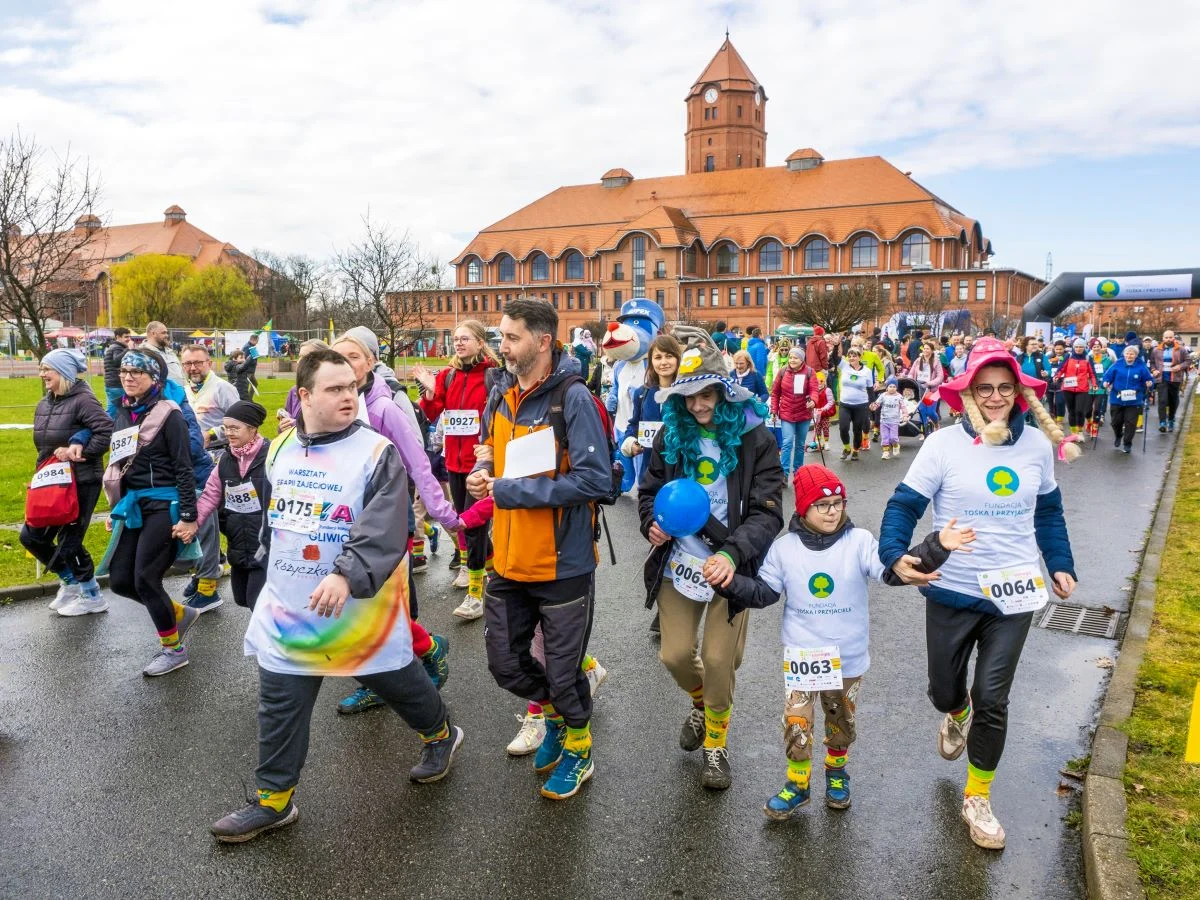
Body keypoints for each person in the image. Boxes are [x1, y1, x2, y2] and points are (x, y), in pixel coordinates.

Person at [210, 348, 462, 843]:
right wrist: (264, 566)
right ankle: (273, 800)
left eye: (351, 387)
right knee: (279, 701)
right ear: (304, 396)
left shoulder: (376, 452)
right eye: (334, 388)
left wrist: (346, 575)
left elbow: (385, 524)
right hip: (290, 607)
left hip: (360, 610)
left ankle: (441, 734)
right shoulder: (280, 448)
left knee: (397, 683)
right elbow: (274, 517)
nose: (348, 396)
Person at [879, 336, 1078, 850]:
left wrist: (1060, 563)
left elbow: (1048, 512)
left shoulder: (1036, 447)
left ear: (1019, 392)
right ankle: (955, 711)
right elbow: (903, 505)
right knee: (946, 690)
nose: (995, 398)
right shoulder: (942, 445)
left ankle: (978, 797)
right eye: (984, 388)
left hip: (1014, 596)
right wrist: (894, 554)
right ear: (967, 391)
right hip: (952, 589)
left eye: (1004, 388)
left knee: (993, 697)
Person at [723, 465, 973, 818]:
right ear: (803, 508)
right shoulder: (784, 549)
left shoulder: (860, 542)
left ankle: (837, 772)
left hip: (848, 657)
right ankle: (797, 783)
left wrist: (937, 547)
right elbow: (764, 592)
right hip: (803, 656)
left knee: (841, 721)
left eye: (838, 503)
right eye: (822, 505)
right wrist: (728, 582)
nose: (832, 511)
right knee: (797, 722)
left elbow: (893, 572)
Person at [467, 297, 612, 800]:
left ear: (544, 341)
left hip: (562, 562)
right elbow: (491, 447)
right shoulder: (502, 390)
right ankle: (554, 719)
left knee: (563, 672)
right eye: (501, 336)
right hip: (507, 558)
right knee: (505, 664)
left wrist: (508, 490)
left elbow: (595, 481)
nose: (502, 346)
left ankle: (579, 747)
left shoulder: (573, 398)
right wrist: (483, 468)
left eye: (512, 337)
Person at [637, 330, 785, 790]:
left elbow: (769, 511)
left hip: (730, 563)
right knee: (675, 655)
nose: (698, 405)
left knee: (720, 659)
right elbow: (649, 492)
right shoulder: (671, 434)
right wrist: (651, 523)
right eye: (689, 396)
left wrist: (731, 552)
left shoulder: (755, 437)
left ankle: (716, 746)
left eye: (706, 394)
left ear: (724, 392)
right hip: (680, 560)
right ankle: (701, 704)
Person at [327, 331, 458, 711]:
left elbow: (417, 461)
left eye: (353, 356)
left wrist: (443, 513)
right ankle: (423, 650)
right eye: (338, 357)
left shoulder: (384, 409)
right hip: (340, 522)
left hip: (386, 521)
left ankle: (398, 676)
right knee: (359, 607)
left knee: (378, 606)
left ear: (370, 362)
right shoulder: (327, 405)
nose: (345, 364)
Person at [100, 349, 201, 676]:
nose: (128, 377)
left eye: (137, 372)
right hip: (134, 505)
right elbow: (121, 465)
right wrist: (116, 508)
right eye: (124, 371)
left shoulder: (169, 414)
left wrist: (188, 516)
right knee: (120, 580)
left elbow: (184, 467)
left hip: (165, 504)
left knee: (145, 578)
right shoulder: (122, 412)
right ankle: (178, 614)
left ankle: (174, 650)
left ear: (154, 377)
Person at [414, 320, 501, 617]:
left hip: (481, 463)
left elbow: (501, 415)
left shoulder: (492, 375)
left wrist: (490, 449)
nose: (459, 343)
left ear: (480, 342)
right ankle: (494, 575)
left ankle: (475, 594)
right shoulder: (448, 376)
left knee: (474, 526)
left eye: (465, 338)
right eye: (456, 339)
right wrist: (429, 392)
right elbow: (432, 412)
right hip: (453, 460)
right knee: (464, 522)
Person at [23, 349, 113, 616]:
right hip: (51, 482)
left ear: (63, 372)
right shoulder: (45, 403)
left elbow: (106, 431)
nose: (42, 374)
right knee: (30, 536)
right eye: (41, 369)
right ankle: (70, 581)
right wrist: (39, 477)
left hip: (82, 481)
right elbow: (45, 447)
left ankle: (92, 595)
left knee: (69, 540)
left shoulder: (84, 400)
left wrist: (80, 452)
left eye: (47, 369)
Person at [180, 343, 241, 612]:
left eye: (198, 362)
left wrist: (212, 434)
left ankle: (212, 577)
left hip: (220, 460)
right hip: (192, 463)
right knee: (204, 520)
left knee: (217, 520)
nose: (193, 368)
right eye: (188, 364)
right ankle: (208, 569)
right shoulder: (183, 391)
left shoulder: (222, 388)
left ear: (209, 363)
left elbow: (242, 420)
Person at [194, 401, 269, 609]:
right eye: (226, 428)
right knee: (241, 599)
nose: (228, 433)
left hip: (266, 545)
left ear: (253, 429)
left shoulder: (271, 456)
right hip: (238, 542)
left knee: (257, 602)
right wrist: (192, 523)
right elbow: (210, 495)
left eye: (235, 428)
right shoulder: (227, 460)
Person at [624, 333, 683, 485]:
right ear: (651, 361)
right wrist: (631, 442)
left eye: (669, 356)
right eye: (658, 357)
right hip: (650, 474)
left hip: (680, 473)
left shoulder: (687, 393)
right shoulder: (642, 393)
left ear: (678, 358)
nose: (663, 362)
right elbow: (634, 425)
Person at [771, 347, 820, 477]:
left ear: (802, 359)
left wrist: (813, 401)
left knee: (800, 444)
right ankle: (784, 474)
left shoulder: (809, 372)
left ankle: (798, 473)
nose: (792, 360)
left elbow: (814, 390)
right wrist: (774, 410)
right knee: (787, 442)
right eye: (791, 357)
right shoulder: (782, 371)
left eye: (795, 358)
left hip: (804, 413)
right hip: (787, 412)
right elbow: (775, 393)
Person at [1103, 344, 1155, 453]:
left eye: (1132, 354)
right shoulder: (1117, 364)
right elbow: (1107, 376)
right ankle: (1118, 435)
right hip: (1117, 398)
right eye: (1127, 353)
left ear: (1136, 355)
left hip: (1134, 400)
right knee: (1115, 422)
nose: (1129, 356)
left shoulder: (1141, 366)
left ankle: (1127, 443)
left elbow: (1149, 379)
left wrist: (1149, 383)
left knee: (1131, 423)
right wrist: (1106, 382)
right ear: (1124, 354)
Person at [279, 339, 330, 429]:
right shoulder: (294, 391)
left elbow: (332, 425)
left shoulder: (332, 391)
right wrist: (283, 425)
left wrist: (295, 424)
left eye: (305, 357)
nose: (299, 361)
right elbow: (286, 422)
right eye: (299, 357)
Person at [1054, 338, 1099, 435]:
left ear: (1084, 347)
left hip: (1082, 388)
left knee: (1079, 410)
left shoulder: (1087, 358)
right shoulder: (1069, 356)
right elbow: (1061, 368)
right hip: (1068, 388)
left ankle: (1080, 431)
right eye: (1076, 347)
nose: (1078, 349)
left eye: (1081, 347)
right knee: (1071, 411)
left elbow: (1092, 373)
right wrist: (1057, 376)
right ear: (1073, 347)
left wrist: (1095, 384)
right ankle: (1074, 433)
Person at [836, 348, 874, 461]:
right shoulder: (844, 366)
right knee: (843, 428)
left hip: (861, 405)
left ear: (859, 357)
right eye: (850, 356)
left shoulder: (867, 371)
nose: (851, 358)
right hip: (845, 404)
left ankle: (856, 450)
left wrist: (872, 403)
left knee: (857, 430)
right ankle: (847, 448)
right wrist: (836, 345)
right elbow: (834, 358)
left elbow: (870, 389)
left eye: (854, 356)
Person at [1150, 330, 1189, 433]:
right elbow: (1152, 362)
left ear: (1173, 338)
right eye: (1166, 337)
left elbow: (1188, 361)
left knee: (1173, 401)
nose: (1168, 339)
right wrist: (1153, 370)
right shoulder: (1156, 350)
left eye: (1170, 337)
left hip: (1175, 378)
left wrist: (1179, 366)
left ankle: (1171, 419)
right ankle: (1162, 422)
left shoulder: (1181, 349)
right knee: (1162, 400)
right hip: (1161, 378)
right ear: (1163, 338)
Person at [873, 377, 909, 460]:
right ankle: (886, 452)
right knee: (885, 437)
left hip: (894, 421)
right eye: (890, 386)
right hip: (884, 421)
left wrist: (905, 416)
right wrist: (873, 406)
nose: (892, 388)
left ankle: (896, 445)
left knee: (893, 438)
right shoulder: (883, 395)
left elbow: (903, 407)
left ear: (896, 388)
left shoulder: (899, 397)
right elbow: (877, 403)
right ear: (887, 387)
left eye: (894, 387)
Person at [1085, 340, 1113, 437]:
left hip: (1101, 387)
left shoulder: (1107, 360)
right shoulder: (1087, 359)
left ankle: (1095, 428)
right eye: (1094, 347)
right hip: (1089, 386)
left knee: (1097, 409)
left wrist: (1108, 382)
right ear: (1091, 348)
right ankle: (1089, 422)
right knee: (1087, 411)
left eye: (1098, 347)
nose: (1096, 349)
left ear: (1101, 348)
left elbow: (1111, 373)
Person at [806, 371, 836, 453]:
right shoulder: (813, 391)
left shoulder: (827, 390)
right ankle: (818, 443)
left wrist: (823, 409)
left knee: (825, 428)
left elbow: (831, 402)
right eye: (817, 382)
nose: (819, 383)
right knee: (817, 429)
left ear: (824, 382)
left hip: (824, 413)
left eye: (821, 381)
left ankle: (826, 443)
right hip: (816, 414)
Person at [102, 327, 132, 410]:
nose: (129, 339)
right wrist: (128, 349)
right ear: (118, 337)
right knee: (120, 410)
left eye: (129, 337)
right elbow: (117, 361)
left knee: (112, 409)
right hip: (117, 384)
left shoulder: (114, 347)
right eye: (126, 337)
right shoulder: (117, 347)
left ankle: (106, 419)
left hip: (111, 384)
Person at [145, 321, 183, 386]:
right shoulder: (145, 354)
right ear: (153, 333)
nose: (167, 335)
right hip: (163, 391)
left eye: (166, 333)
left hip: (180, 390)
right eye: (163, 333)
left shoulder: (169, 351)